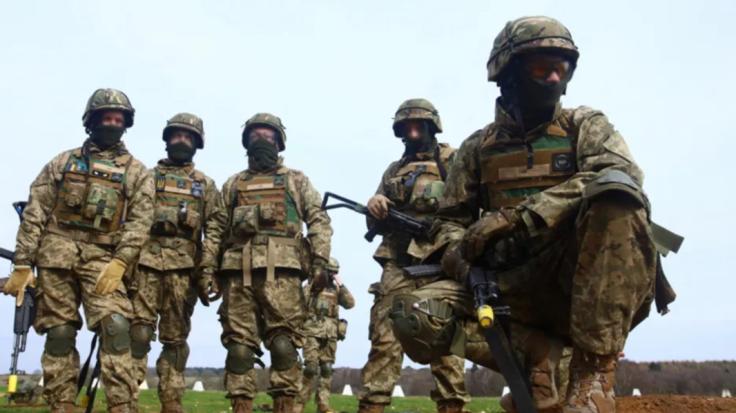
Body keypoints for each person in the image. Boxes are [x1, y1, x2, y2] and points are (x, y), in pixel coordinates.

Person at [390, 16, 666, 413]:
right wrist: (463, 257)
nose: (553, 78)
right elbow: (448, 222)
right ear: (507, 73)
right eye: (541, 68)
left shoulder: (584, 126)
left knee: (617, 197)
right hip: (506, 283)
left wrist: (519, 216)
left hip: (579, 279)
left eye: (561, 68)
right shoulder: (477, 148)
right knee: (414, 316)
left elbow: (620, 174)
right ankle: (533, 357)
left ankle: (591, 376)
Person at [3, 88, 154, 413]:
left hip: (103, 263)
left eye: (118, 119)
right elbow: (35, 213)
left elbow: (140, 223)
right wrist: (23, 264)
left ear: (126, 124)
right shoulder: (63, 162)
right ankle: (61, 404)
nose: (111, 123)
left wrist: (121, 261)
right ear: (91, 120)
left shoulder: (136, 172)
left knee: (117, 326)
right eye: (105, 117)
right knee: (59, 333)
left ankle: (122, 405)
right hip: (55, 259)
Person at [212, 113, 333, 413]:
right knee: (239, 350)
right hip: (238, 275)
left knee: (283, 346)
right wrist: (207, 270)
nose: (261, 140)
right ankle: (241, 406)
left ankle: (285, 406)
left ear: (279, 142)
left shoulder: (296, 180)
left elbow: (319, 220)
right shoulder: (233, 184)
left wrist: (320, 262)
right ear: (246, 142)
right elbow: (215, 229)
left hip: (283, 275)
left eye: (268, 136)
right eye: (255, 135)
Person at [359, 99, 470, 413]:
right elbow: (373, 224)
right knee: (384, 340)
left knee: (447, 342)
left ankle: (452, 406)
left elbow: (474, 205)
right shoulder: (394, 170)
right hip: (399, 264)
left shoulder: (454, 160)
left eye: (418, 126)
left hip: (442, 262)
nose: (412, 132)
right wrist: (375, 205)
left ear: (432, 127)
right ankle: (372, 406)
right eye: (406, 127)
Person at [128, 113, 222, 412]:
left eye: (188, 137)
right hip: (144, 267)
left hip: (184, 272)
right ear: (167, 140)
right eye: (177, 135)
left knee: (176, 340)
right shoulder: (146, 177)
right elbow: (128, 221)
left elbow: (215, 231)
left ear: (196, 143)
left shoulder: (206, 185)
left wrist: (208, 270)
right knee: (138, 333)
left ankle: (171, 402)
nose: (182, 140)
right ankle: (125, 399)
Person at [296, 257, 355, 413]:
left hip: (330, 334)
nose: (332, 276)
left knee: (327, 369)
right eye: (330, 272)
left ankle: (323, 405)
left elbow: (350, 304)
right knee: (310, 368)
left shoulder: (336, 290)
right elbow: (298, 306)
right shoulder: (310, 288)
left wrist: (341, 285)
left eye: (335, 273)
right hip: (312, 332)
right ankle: (299, 404)